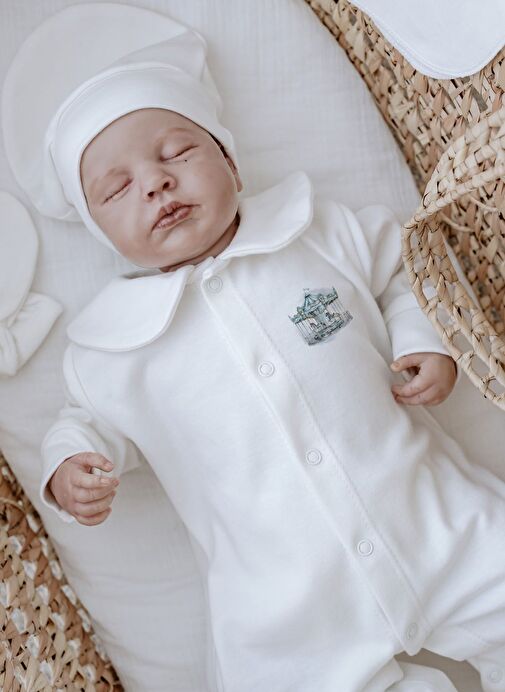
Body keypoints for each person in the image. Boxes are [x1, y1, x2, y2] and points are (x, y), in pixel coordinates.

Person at [39, 22, 505, 692]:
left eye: (177, 152)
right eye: (117, 189)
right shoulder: (111, 348)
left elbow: (404, 271)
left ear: (230, 162)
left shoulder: (314, 232)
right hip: (288, 602)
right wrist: (68, 466)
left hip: (432, 522)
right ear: (99, 231)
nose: (156, 184)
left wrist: (421, 338)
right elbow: (83, 421)